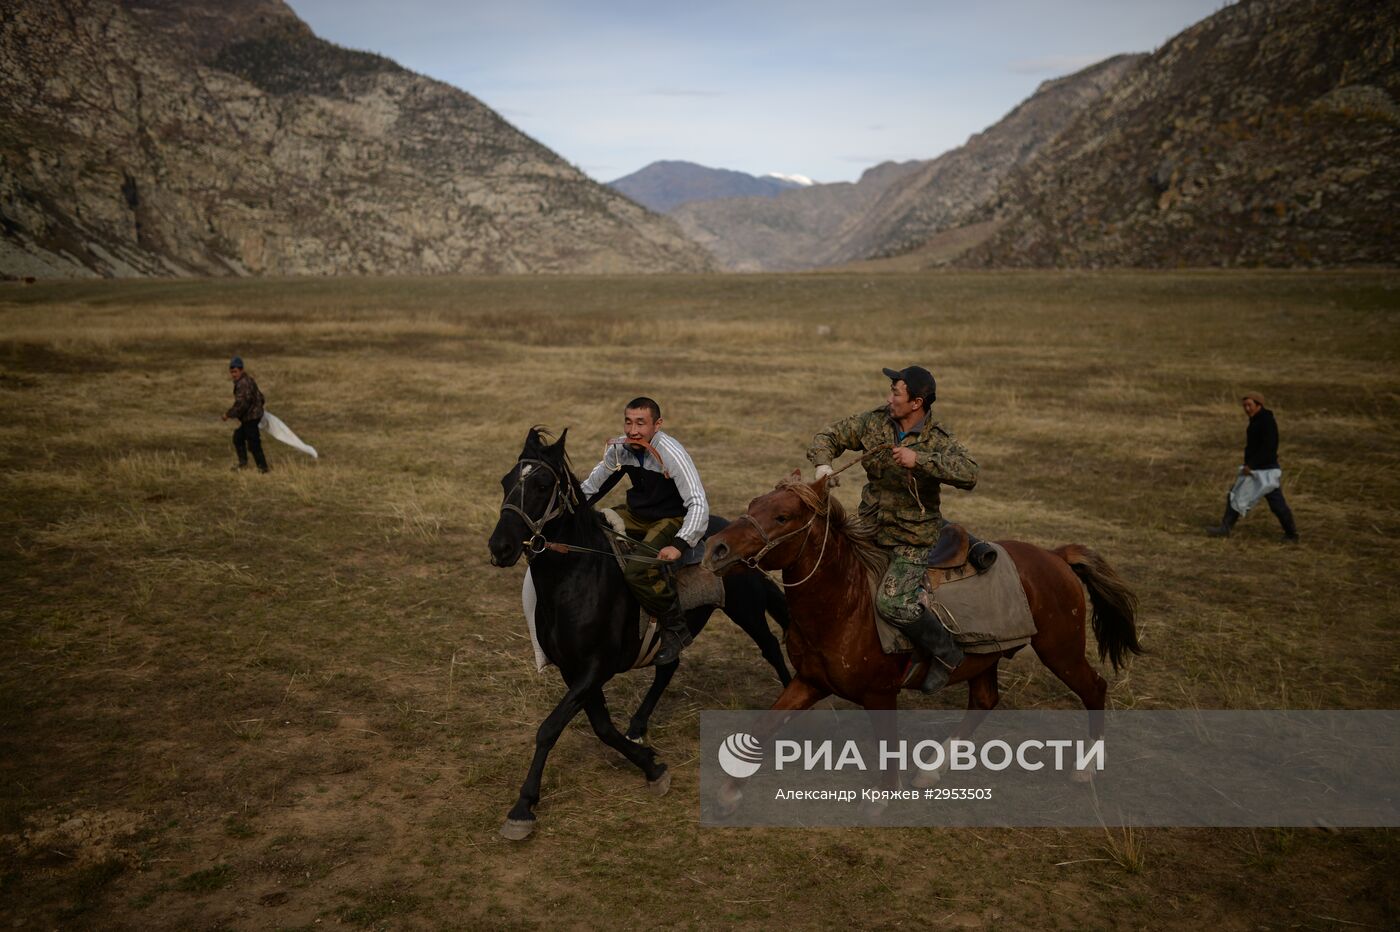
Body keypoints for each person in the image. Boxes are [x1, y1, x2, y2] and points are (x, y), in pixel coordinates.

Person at [807, 366, 979, 693]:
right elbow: (827, 435)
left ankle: (947, 653)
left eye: (895, 393)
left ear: (916, 403)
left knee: (892, 603)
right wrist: (823, 463)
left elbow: (970, 473)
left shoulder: (937, 439)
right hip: (869, 528)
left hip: (912, 538)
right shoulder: (874, 422)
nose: (889, 398)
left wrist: (921, 460)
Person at [579, 397, 709, 664]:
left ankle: (676, 628)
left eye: (641, 423)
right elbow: (592, 487)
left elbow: (697, 502)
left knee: (638, 570)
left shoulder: (672, 453)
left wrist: (680, 544)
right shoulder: (620, 448)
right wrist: (568, 510)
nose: (633, 430)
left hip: (669, 519)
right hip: (636, 515)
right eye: (628, 422)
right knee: (593, 528)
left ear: (657, 424)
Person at [1208, 392, 1299, 542]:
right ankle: (1225, 528)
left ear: (1259, 405)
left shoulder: (1266, 422)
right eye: (1244, 405)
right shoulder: (1256, 420)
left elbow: (1269, 447)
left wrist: (1252, 465)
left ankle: (1292, 534)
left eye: (1249, 405)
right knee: (1235, 494)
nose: (1246, 408)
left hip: (1265, 470)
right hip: (1255, 468)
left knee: (1277, 504)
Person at [221, 356, 269, 473]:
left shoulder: (243, 384)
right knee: (238, 438)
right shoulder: (248, 379)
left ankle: (263, 469)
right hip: (253, 416)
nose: (233, 374)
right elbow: (261, 397)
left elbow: (241, 405)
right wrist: (257, 408)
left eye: (235, 371)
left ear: (241, 370)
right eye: (231, 372)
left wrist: (228, 414)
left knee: (254, 444)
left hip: (251, 418)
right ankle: (243, 463)